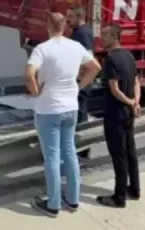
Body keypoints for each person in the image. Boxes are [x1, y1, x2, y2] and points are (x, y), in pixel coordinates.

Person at [25, 12, 101, 217]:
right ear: (65, 26)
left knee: (52, 157)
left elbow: (29, 74)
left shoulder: (42, 49)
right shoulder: (75, 46)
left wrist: (35, 92)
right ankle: (73, 199)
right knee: (69, 152)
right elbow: (95, 67)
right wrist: (78, 86)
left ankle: (53, 203)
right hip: (70, 107)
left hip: (48, 108)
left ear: (47, 25)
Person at [97, 23, 141, 208]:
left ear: (114, 37)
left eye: (105, 36)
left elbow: (114, 89)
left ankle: (119, 197)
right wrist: (135, 102)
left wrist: (130, 102)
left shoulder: (111, 59)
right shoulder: (129, 55)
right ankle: (135, 189)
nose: (101, 39)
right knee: (130, 152)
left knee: (119, 156)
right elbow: (137, 81)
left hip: (116, 114)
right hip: (129, 113)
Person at [67, 7, 94, 157]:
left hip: (81, 82)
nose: (68, 20)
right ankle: (81, 147)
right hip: (80, 81)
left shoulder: (82, 33)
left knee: (80, 115)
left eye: (70, 17)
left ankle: (83, 148)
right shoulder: (80, 31)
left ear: (79, 17)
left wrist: (79, 83)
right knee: (79, 114)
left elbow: (88, 59)